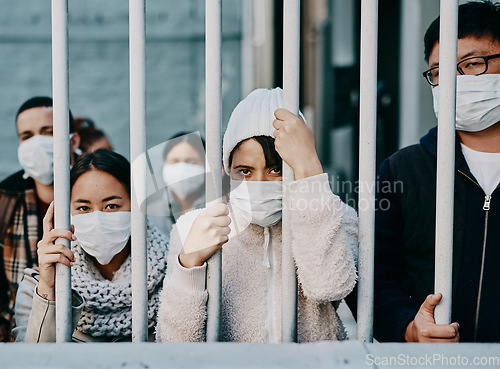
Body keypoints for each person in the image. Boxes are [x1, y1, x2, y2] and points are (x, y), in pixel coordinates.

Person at [156, 88, 358, 343]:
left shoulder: (337, 216)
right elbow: (175, 345)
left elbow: (329, 286)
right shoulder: (192, 227)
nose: (260, 182)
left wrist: (309, 168)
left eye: (276, 169)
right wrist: (190, 265)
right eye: (245, 171)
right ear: (227, 170)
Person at [373, 0, 500, 343]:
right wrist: (409, 328)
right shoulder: (401, 170)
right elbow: (375, 278)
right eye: (440, 71)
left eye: (472, 64)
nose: (455, 82)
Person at [13, 149, 168, 342]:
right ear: (67, 211)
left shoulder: (174, 276)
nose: (97, 219)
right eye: (83, 208)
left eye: (111, 206)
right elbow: (30, 361)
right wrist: (48, 292)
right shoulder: (35, 286)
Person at [0, 96, 80, 342]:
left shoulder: (99, 187)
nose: (36, 143)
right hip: (20, 335)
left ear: (73, 140)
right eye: (27, 136)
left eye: (48, 132)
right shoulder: (5, 198)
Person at [148, 133, 206, 236]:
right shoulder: (150, 214)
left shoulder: (219, 208)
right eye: (174, 161)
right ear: (164, 166)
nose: (182, 169)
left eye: (191, 162)